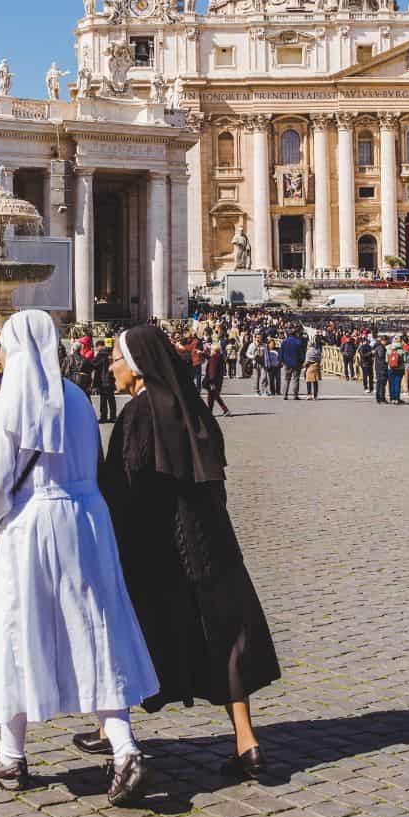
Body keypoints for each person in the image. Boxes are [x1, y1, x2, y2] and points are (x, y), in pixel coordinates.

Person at [0, 310, 158, 806]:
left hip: (29, 526)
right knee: (96, 631)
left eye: (4, 347)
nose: (1, 356)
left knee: (16, 632)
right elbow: (92, 461)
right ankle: (125, 748)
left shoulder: (7, 403)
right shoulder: (75, 398)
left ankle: (10, 755)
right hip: (86, 522)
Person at [82, 324, 280, 779]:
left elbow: (123, 487)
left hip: (156, 547)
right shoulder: (195, 410)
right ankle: (247, 742)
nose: (109, 367)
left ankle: (113, 729)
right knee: (224, 636)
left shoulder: (136, 415)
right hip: (211, 543)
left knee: (126, 631)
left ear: (135, 366)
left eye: (115, 358)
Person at [203, 343, 232, 415]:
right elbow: (209, 357)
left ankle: (210, 412)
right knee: (215, 396)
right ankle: (225, 410)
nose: (210, 351)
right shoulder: (219, 357)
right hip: (218, 380)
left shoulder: (214, 358)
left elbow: (212, 371)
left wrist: (211, 382)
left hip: (213, 381)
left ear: (214, 351)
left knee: (211, 396)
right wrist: (203, 353)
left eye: (211, 350)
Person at [94, 339, 118, 423]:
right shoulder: (111, 353)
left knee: (103, 399)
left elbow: (93, 364)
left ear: (99, 346)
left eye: (96, 347)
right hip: (111, 379)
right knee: (111, 399)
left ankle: (104, 417)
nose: (96, 349)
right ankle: (113, 416)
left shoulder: (100, 355)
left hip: (103, 380)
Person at [280, 326, 305, 400]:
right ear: (295, 334)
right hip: (296, 363)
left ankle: (285, 395)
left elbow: (281, 352)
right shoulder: (298, 342)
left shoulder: (284, 341)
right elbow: (302, 354)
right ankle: (295, 395)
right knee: (295, 379)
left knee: (286, 379)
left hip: (287, 363)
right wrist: (302, 362)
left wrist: (282, 361)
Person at [386, 336, 406, 404]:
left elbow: (386, 360)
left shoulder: (389, 348)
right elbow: (405, 360)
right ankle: (397, 398)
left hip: (391, 368)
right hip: (400, 368)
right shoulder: (402, 349)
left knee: (391, 384)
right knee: (397, 383)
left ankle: (392, 399)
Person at [373, 334, 389, 404]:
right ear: (384, 340)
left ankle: (379, 398)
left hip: (378, 366)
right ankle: (381, 398)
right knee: (382, 383)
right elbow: (381, 355)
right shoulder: (381, 347)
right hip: (381, 366)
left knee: (379, 382)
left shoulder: (378, 346)